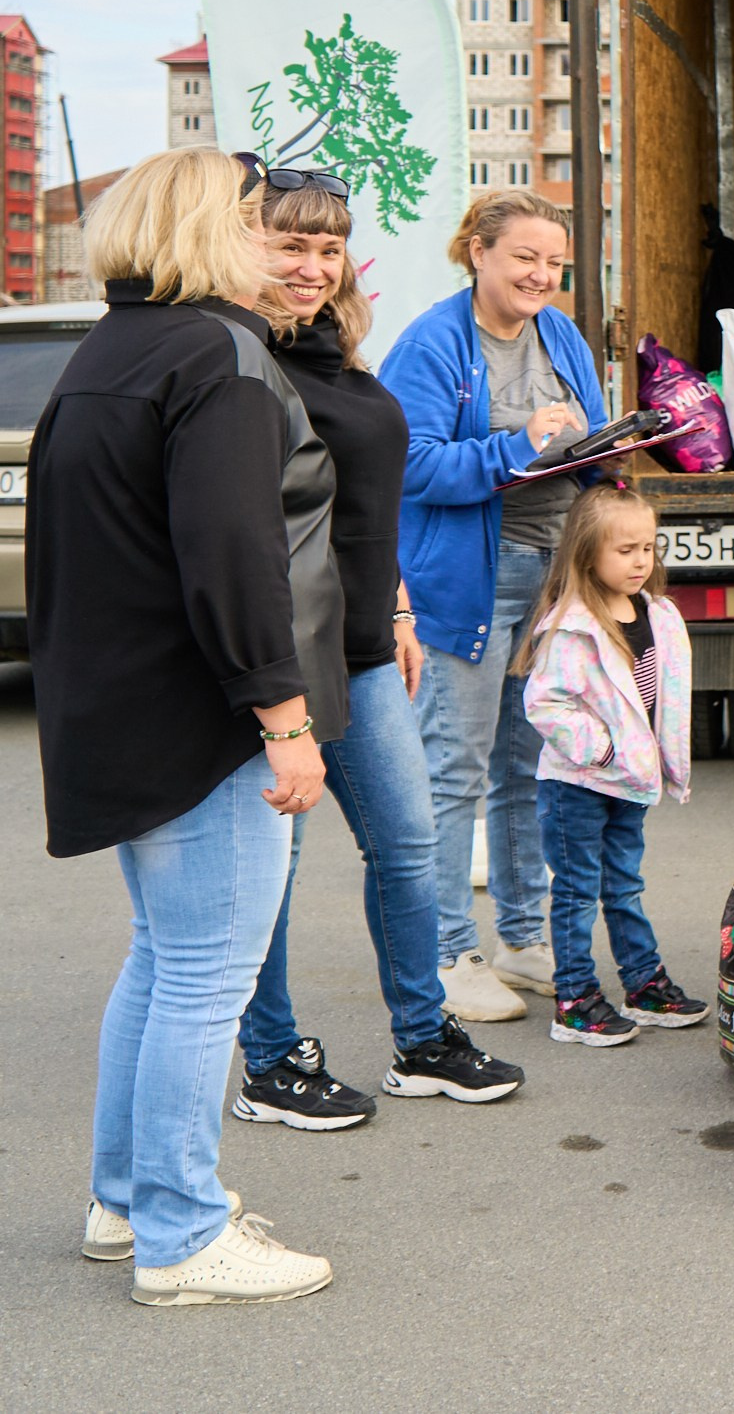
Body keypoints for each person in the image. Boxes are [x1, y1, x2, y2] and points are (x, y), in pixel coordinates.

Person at [37, 148, 342, 1303]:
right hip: (204, 714)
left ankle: (127, 1203)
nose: (274, 239)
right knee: (209, 969)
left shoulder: (109, 350)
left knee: (166, 959)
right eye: (256, 219)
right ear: (214, 226)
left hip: (121, 704)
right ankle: (181, 1231)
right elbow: (234, 555)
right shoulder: (217, 355)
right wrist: (283, 717)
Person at [230, 181, 526, 1130]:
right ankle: (271, 1058)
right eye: (291, 248)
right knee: (271, 865)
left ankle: (422, 1039)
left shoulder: (337, 353)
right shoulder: (233, 360)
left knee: (405, 844)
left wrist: (395, 603)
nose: (312, 269)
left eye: (329, 250)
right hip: (281, 659)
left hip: (361, 645)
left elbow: (365, 505)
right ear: (244, 246)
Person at [381, 190, 606, 1023]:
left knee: (525, 768)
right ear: (477, 251)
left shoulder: (562, 335)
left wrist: (609, 454)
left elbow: (581, 443)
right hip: (467, 584)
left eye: (554, 263)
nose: (542, 276)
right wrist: (518, 448)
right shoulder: (434, 342)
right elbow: (409, 468)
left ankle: (518, 938)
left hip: (552, 578)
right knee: (454, 773)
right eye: (526, 259)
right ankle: (444, 955)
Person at [519, 484, 705, 1045]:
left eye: (647, 548)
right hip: (576, 783)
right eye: (625, 551)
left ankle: (642, 984)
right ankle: (574, 1000)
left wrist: (658, 762)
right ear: (587, 554)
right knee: (577, 891)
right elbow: (544, 703)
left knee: (624, 885)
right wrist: (602, 750)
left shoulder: (658, 614)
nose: (640, 561)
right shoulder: (571, 624)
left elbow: (666, 697)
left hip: (628, 783)